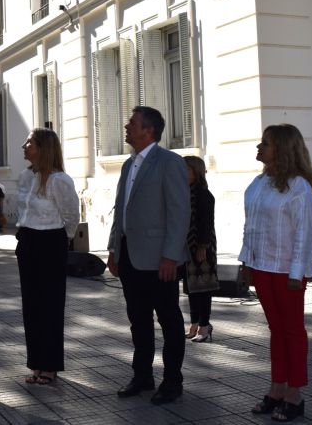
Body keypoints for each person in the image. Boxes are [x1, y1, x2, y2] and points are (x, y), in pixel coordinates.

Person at [107, 106, 190, 405]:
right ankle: (142, 375)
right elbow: (121, 209)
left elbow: (180, 213)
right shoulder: (129, 165)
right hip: (130, 255)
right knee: (138, 319)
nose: (127, 127)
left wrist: (170, 256)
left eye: (133, 123)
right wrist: (114, 248)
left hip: (159, 260)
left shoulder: (169, 162)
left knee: (168, 319)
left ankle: (172, 381)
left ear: (149, 130)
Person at [240, 124, 312, 422]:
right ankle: (276, 389)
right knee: (277, 331)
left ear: (283, 149)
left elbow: (304, 235)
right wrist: (247, 262)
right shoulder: (259, 184)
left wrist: (297, 274)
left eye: (266, 144)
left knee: (293, 332)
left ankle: (294, 395)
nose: (259, 148)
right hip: (262, 268)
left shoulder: (298, 187)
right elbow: (251, 227)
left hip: (288, 272)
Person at [16, 128, 79, 385]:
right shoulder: (24, 177)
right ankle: (36, 363)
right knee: (31, 306)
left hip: (51, 241)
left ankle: (50, 365)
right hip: (27, 241)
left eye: (29, 142)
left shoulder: (59, 180)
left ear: (43, 148)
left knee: (50, 306)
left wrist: (63, 240)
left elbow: (72, 216)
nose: (24, 145)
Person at [182, 156, 219, 343]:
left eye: (187, 169)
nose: (182, 173)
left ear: (196, 172)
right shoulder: (183, 192)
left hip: (201, 247)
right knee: (191, 287)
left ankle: (205, 325)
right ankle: (194, 324)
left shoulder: (203, 194)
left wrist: (202, 246)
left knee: (203, 287)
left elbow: (206, 222)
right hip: (187, 247)